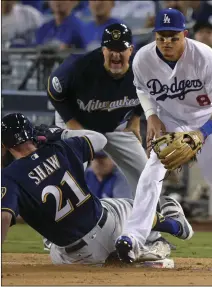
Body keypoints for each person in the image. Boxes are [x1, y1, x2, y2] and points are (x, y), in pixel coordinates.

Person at [116, 8, 212, 263]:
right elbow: (142, 89)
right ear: (155, 36)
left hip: (210, 118)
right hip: (171, 117)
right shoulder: (143, 59)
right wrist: (152, 116)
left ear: (185, 35)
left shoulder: (205, 57)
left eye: (173, 37)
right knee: (153, 168)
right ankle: (133, 238)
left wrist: (202, 134)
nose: (166, 42)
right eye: (161, 37)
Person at [1, 113, 193, 265]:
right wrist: (60, 133)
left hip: (73, 257)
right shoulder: (60, 147)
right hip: (107, 227)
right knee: (130, 207)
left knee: (52, 245)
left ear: (4, 144)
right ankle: (171, 227)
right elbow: (99, 140)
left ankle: (130, 254)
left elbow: (4, 217)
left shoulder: (9, 176)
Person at [48, 23, 147, 198]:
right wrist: (71, 124)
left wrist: (136, 118)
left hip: (115, 125)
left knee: (145, 175)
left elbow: (149, 93)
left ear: (131, 50)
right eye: (111, 48)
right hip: (78, 122)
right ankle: (62, 218)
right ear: (103, 50)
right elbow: (53, 90)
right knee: (71, 176)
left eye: (121, 49)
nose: (116, 54)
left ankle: (151, 221)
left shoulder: (143, 69)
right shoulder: (79, 66)